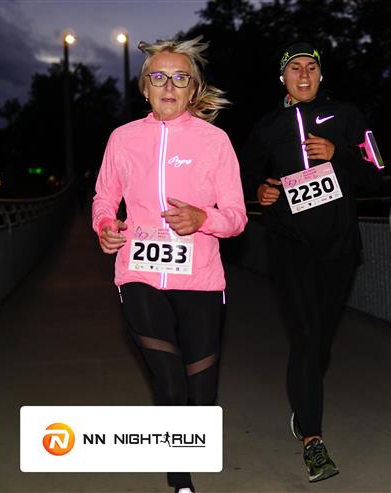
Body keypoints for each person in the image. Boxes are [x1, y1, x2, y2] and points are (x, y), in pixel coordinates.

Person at [92, 36, 247, 493]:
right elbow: (104, 198)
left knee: (201, 395)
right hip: (139, 272)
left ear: (193, 90)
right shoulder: (123, 139)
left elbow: (237, 216)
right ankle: (180, 480)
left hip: (201, 279)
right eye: (158, 77)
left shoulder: (215, 142)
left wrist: (203, 219)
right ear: (145, 88)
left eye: (180, 78)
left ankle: (183, 441)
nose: (168, 86)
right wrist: (105, 226)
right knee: (170, 383)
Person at [239, 41, 380, 482]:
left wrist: (339, 155)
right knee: (304, 338)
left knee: (319, 344)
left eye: (311, 68)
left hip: (338, 247)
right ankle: (314, 441)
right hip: (289, 244)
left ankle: (303, 405)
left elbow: (376, 171)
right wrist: (258, 191)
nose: (304, 75)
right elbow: (245, 174)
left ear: (321, 74)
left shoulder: (346, 115)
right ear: (282, 77)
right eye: (295, 68)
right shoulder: (267, 126)